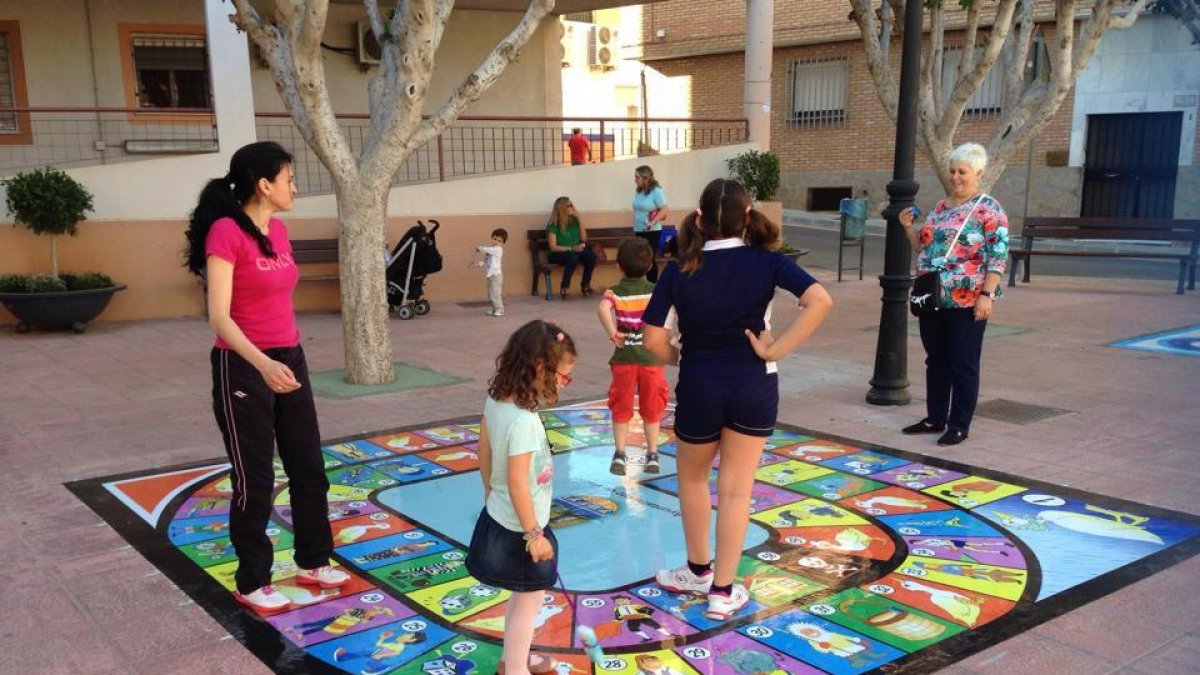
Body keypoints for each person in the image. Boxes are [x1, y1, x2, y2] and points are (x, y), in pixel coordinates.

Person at [641, 178, 833, 620]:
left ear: (700, 217)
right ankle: (722, 593)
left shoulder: (678, 269)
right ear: (747, 216)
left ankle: (697, 571)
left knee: (691, 481)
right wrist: (774, 350)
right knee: (735, 492)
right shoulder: (768, 262)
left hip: (699, 385)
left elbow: (651, 341)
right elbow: (820, 299)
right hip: (753, 384)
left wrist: (684, 355)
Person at [183, 141, 350, 614]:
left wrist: (284, 358)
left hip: (288, 358)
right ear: (264, 184)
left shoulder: (277, 229)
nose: (294, 187)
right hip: (243, 365)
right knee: (254, 478)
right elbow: (219, 316)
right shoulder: (225, 233)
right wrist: (262, 363)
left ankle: (313, 560)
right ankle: (253, 580)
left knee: (308, 468)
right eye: (289, 179)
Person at [465, 320, 577, 675]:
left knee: (521, 596)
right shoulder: (525, 422)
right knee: (528, 604)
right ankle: (515, 670)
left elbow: (482, 448)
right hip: (522, 529)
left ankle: (513, 659)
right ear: (541, 368)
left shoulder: (497, 400)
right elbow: (517, 482)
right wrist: (534, 534)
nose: (563, 383)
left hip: (502, 517)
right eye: (564, 375)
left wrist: (488, 490)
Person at [898, 142, 1009, 447]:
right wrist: (909, 228)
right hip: (934, 298)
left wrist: (987, 295)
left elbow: (998, 256)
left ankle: (959, 423)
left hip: (967, 299)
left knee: (963, 361)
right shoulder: (939, 209)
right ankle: (935, 417)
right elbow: (924, 248)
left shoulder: (989, 209)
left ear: (978, 173)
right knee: (936, 359)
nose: (955, 177)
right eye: (952, 171)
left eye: (962, 171)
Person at [596, 237, 669, 476]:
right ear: (650, 266)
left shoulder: (614, 292)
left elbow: (603, 308)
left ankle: (619, 453)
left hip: (624, 359)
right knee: (652, 408)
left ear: (619, 266)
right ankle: (653, 455)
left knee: (621, 407)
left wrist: (613, 332)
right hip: (652, 360)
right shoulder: (656, 291)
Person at [546, 196, 597, 299]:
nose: (572, 208)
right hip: (557, 253)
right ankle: (564, 287)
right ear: (562, 209)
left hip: (574, 251)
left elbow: (583, 238)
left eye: (572, 205)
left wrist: (579, 219)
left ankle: (585, 285)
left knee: (591, 256)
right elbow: (553, 247)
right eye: (569, 206)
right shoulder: (553, 225)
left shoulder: (574, 222)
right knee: (573, 258)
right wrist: (571, 248)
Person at [631, 165, 669, 282]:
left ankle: (653, 287)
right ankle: (644, 284)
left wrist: (654, 221)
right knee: (640, 259)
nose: (635, 179)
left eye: (637, 177)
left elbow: (664, 209)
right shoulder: (639, 191)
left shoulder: (656, 191)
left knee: (649, 259)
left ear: (645, 178)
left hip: (652, 231)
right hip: (639, 230)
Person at [472, 227, 508, 317]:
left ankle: (500, 309)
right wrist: (478, 264)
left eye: (499, 241)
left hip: (496, 275)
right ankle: (494, 308)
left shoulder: (498, 249)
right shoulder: (491, 250)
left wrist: (479, 248)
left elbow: (486, 249)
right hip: (490, 275)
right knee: (490, 293)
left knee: (495, 293)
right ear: (491, 238)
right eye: (494, 239)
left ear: (503, 243)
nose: (496, 242)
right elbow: (486, 261)